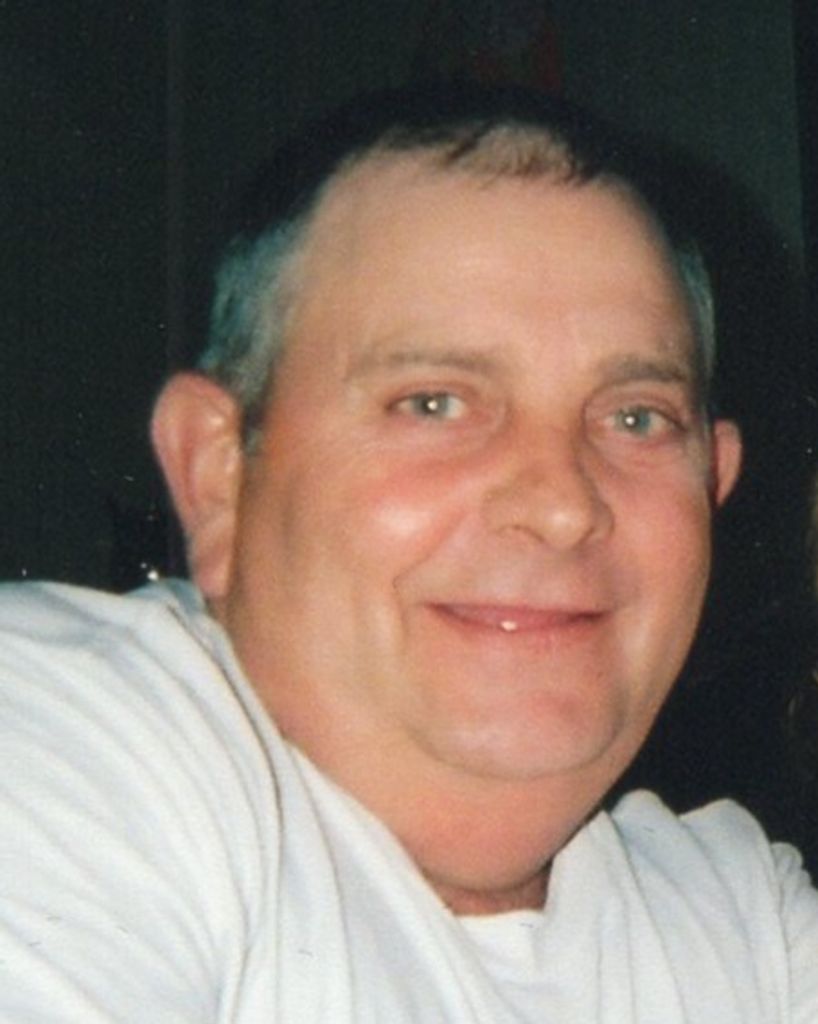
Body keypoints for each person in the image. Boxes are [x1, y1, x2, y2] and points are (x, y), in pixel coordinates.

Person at [1, 84, 815, 1022]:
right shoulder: (61, 744)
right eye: (435, 403)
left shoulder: (739, 916)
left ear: (714, 488)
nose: (561, 505)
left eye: (637, 418)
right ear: (218, 478)